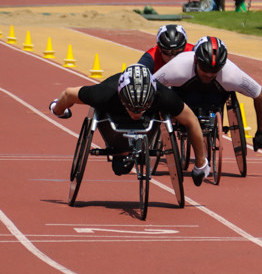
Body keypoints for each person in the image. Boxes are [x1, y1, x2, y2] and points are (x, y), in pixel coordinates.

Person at [50, 63, 210, 185]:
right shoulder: (103, 93)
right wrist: (57, 109)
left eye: (142, 108)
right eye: (131, 107)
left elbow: (191, 121)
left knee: (156, 122)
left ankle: (137, 148)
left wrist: (200, 163)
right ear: (121, 96)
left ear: (153, 98)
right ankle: (120, 153)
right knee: (120, 168)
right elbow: (68, 94)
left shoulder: (164, 96)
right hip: (114, 116)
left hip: (150, 123)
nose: (136, 113)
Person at [152, 35, 262, 153]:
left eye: (215, 70)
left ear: (222, 66)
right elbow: (150, 87)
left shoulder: (231, 74)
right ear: (196, 60)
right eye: (204, 68)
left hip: (215, 98)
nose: (209, 74)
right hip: (184, 97)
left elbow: (259, 95)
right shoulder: (177, 68)